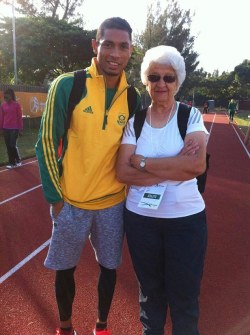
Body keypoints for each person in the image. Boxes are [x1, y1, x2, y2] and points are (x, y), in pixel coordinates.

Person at [35, 17, 141, 335]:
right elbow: (45, 144)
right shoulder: (69, 85)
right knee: (65, 270)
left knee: (109, 268)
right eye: (108, 44)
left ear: (130, 51)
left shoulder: (134, 97)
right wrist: (56, 200)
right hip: (72, 202)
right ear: (95, 46)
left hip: (112, 204)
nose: (114, 52)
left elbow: (134, 150)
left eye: (123, 46)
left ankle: (101, 327)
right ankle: (65, 328)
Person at [116, 45, 209, 335]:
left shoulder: (190, 117)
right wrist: (173, 168)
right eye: (154, 77)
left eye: (169, 78)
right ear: (146, 81)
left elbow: (195, 167)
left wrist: (142, 162)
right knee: (150, 292)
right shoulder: (136, 122)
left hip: (186, 221)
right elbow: (121, 171)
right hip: (141, 220)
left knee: (184, 295)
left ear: (177, 82)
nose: (161, 84)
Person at [0, 88, 23, 169]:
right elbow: (2, 117)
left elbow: (19, 117)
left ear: (11, 95)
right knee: (8, 146)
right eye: (5, 96)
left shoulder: (16, 105)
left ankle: (15, 161)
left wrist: (20, 129)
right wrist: (1, 128)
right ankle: (13, 162)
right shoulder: (3, 105)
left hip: (14, 129)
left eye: (7, 95)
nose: (5, 97)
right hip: (6, 128)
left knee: (12, 145)